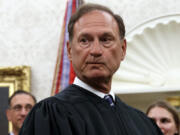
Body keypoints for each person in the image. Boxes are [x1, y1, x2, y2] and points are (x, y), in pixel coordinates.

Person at [19, 3, 163, 135]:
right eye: (84, 40)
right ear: (69, 51)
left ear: (123, 49)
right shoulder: (51, 115)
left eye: (106, 39)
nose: (95, 50)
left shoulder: (144, 124)